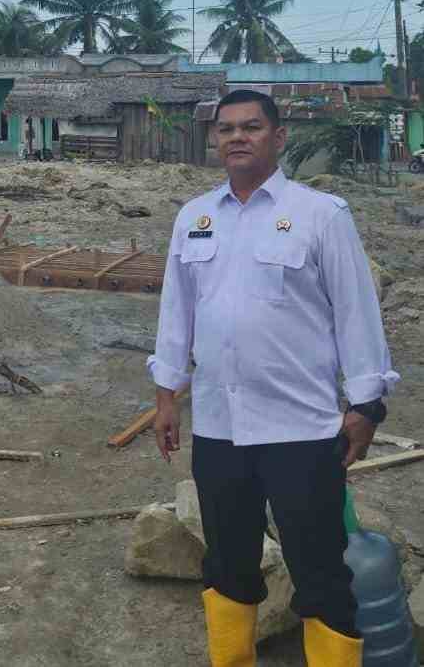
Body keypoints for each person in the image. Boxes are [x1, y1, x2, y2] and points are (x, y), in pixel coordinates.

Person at [149, 89, 398, 665]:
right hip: (219, 427)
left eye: (252, 127)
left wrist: (366, 404)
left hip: (301, 429)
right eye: (227, 129)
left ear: (278, 137)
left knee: (320, 572)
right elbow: (176, 315)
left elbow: (357, 312)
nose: (237, 137)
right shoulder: (195, 218)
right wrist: (167, 396)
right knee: (227, 565)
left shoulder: (321, 215)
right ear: (215, 140)